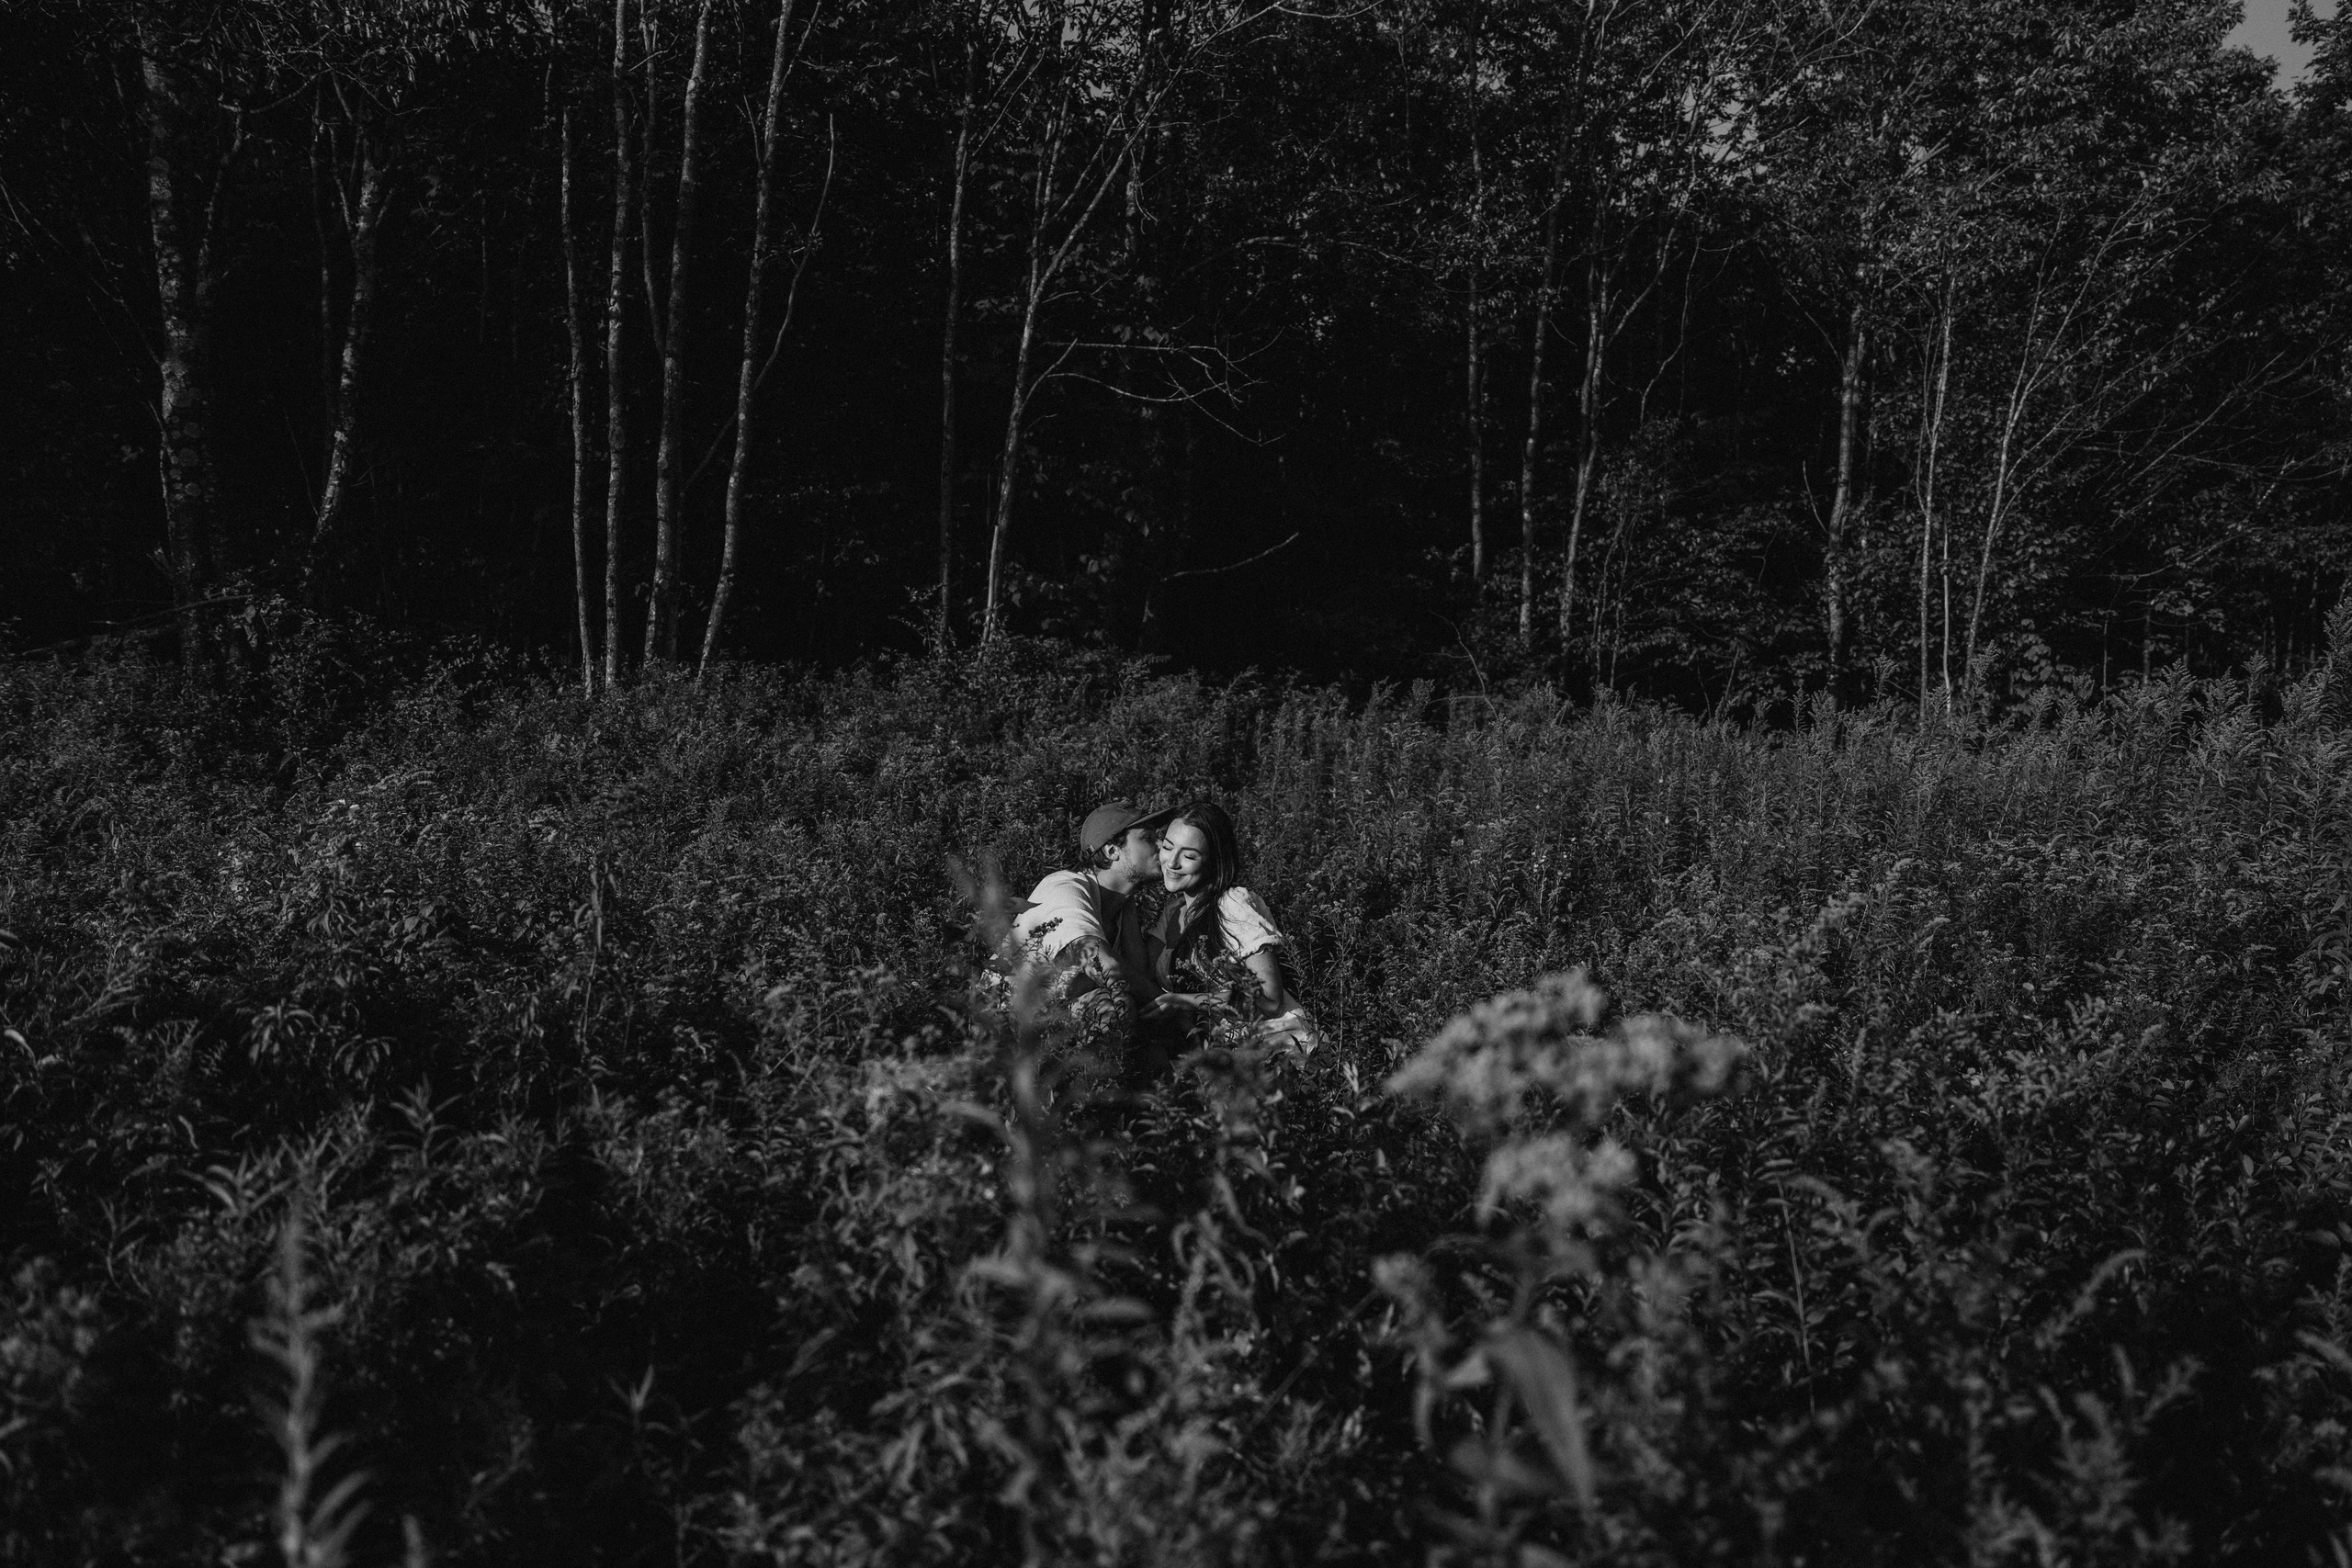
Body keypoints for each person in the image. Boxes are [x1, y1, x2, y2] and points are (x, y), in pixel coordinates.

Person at [1001, 799, 1176, 1066]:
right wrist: (1177, 1008)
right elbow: (1103, 966)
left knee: (1157, 1054)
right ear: (1112, 850)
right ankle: (1090, 1100)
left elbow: (1137, 972)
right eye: (1148, 838)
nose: (1161, 846)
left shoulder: (1118, 907)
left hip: (1052, 1022)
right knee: (1116, 1009)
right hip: (1005, 1025)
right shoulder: (1064, 887)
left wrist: (1128, 898)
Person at [1144, 800, 1319, 1055]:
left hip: (1278, 1049)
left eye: (1189, 855)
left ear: (1213, 861)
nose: (1172, 862)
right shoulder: (1173, 912)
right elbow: (1141, 973)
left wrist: (1182, 1001)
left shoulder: (1232, 905)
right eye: (1168, 847)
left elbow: (1271, 1002)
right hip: (1224, 1051)